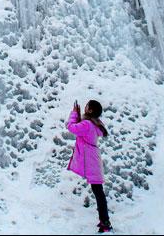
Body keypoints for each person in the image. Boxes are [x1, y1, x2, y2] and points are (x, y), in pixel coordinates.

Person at [67, 99, 112, 233]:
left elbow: (71, 127)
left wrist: (74, 114)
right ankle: (104, 221)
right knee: (98, 191)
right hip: (93, 159)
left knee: (98, 191)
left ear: (90, 110)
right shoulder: (92, 124)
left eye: (87, 106)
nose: (85, 107)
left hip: (91, 160)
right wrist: (80, 115)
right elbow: (82, 128)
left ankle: (105, 223)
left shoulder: (87, 124)